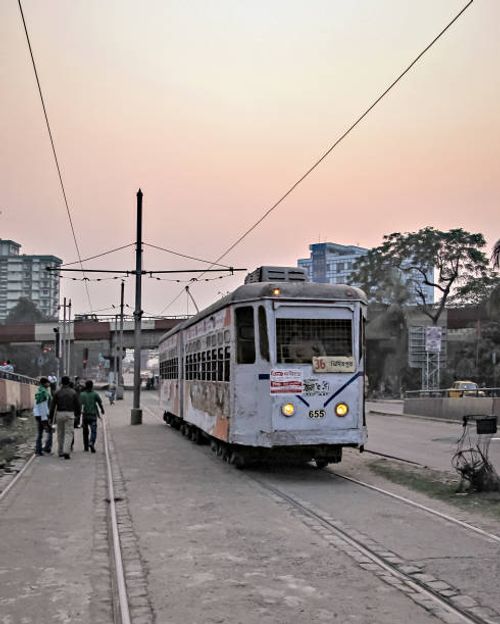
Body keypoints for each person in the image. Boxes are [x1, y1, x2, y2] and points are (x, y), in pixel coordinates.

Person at [49, 376, 81, 460]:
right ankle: (66, 451)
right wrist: (78, 415)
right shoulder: (73, 392)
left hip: (59, 413)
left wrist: (50, 416)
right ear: (69, 382)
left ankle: (60, 451)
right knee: (69, 433)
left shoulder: (57, 392)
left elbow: (52, 406)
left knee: (60, 433)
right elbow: (78, 405)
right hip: (70, 414)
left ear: (61, 382)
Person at [80, 380, 105, 453]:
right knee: (93, 431)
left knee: (85, 432)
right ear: (92, 386)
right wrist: (102, 410)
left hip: (85, 416)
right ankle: (91, 442)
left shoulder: (82, 394)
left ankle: (86, 447)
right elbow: (100, 403)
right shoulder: (95, 394)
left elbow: (79, 405)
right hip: (93, 415)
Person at [33, 377, 52, 455]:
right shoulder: (44, 392)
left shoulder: (38, 390)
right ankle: (46, 448)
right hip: (42, 415)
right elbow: (42, 406)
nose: (49, 384)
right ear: (44, 383)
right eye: (48, 382)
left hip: (37, 414)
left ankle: (38, 450)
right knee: (49, 431)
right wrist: (44, 419)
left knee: (40, 432)